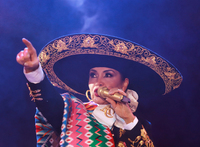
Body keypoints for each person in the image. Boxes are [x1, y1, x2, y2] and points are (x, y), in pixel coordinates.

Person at [16, 34, 182, 147]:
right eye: (93, 75)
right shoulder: (71, 111)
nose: (98, 82)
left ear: (124, 84)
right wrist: (35, 71)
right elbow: (48, 102)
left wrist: (127, 118)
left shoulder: (139, 125)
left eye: (108, 75)